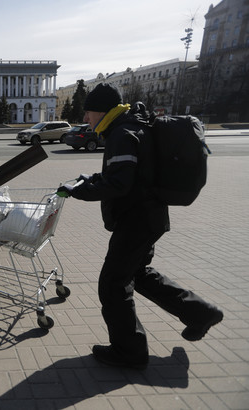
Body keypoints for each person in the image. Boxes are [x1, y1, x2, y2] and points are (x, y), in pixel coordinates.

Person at [57, 83, 223, 370]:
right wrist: (91, 179)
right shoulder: (129, 126)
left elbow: (120, 183)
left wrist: (77, 190)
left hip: (137, 220)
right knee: (138, 275)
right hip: (148, 216)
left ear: (102, 111)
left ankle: (129, 352)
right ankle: (200, 313)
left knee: (112, 285)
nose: (86, 118)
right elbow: (126, 174)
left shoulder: (122, 133)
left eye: (88, 112)